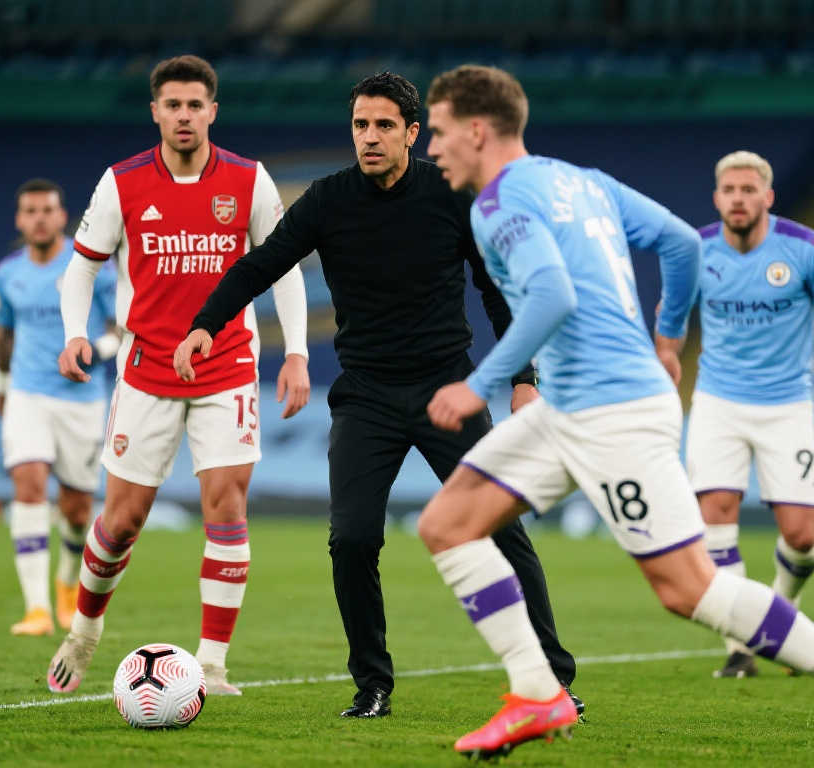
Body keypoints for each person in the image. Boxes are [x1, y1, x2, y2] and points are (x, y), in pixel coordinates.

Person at [417, 64, 814, 766]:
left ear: (475, 129)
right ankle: (535, 690)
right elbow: (680, 241)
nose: (432, 147)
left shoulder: (496, 204)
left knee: (689, 589)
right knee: (447, 524)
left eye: (438, 131)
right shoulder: (583, 181)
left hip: (612, 411)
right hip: (574, 405)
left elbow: (553, 295)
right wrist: (669, 339)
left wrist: (480, 384)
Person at [175, 72, 579, 719]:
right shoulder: (328, 200)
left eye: (384, 125)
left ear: (413, 133)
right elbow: (261, 264)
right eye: (360, 124)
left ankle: (553, 682)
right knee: (353, 540)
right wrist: (205, 324)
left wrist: (524, 381)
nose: (369, 136)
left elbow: (497, 289)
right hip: (366, 397)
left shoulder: (452, 195)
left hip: (448, 392)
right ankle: (372, 685)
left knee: (501, 529)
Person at [46, 55, 310, 696]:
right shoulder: (123, 182)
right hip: (146, 372)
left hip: (228, 367)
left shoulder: (248, 180)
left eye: (195, 105)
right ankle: (84, 631)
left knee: (227, 507)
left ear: (212, 111)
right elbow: (81, 267)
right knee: (121, 521)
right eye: (173, 105)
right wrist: (75, 332)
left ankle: (212, 665)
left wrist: (298, 352)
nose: (184, 115)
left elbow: (285, 268)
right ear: (156, 112)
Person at [685, 150, 814, 678]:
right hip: (717, 403)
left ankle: (781, 608)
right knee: (715, 517)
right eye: (729, 190)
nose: (738, 199)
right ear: (716, 198)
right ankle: (741, 645)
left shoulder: (805, 249)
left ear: (768, 196)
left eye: (748, 190)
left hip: (786, 405)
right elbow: (668, 319)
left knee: (803, 538)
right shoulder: (696, 250)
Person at [0, 178, 118, 637]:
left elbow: (121, 328)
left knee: (77, 510)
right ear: (19, 220)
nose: (39, 219)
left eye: (47, 210)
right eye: (31, 211)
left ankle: (66, 585)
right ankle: (37, 609)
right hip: (27, 394)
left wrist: (95, 351)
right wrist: (2, 387)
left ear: (63, 216)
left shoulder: (93, 268)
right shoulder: (7, 274)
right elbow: (4, 333)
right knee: (28, 485)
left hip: (81, 399)